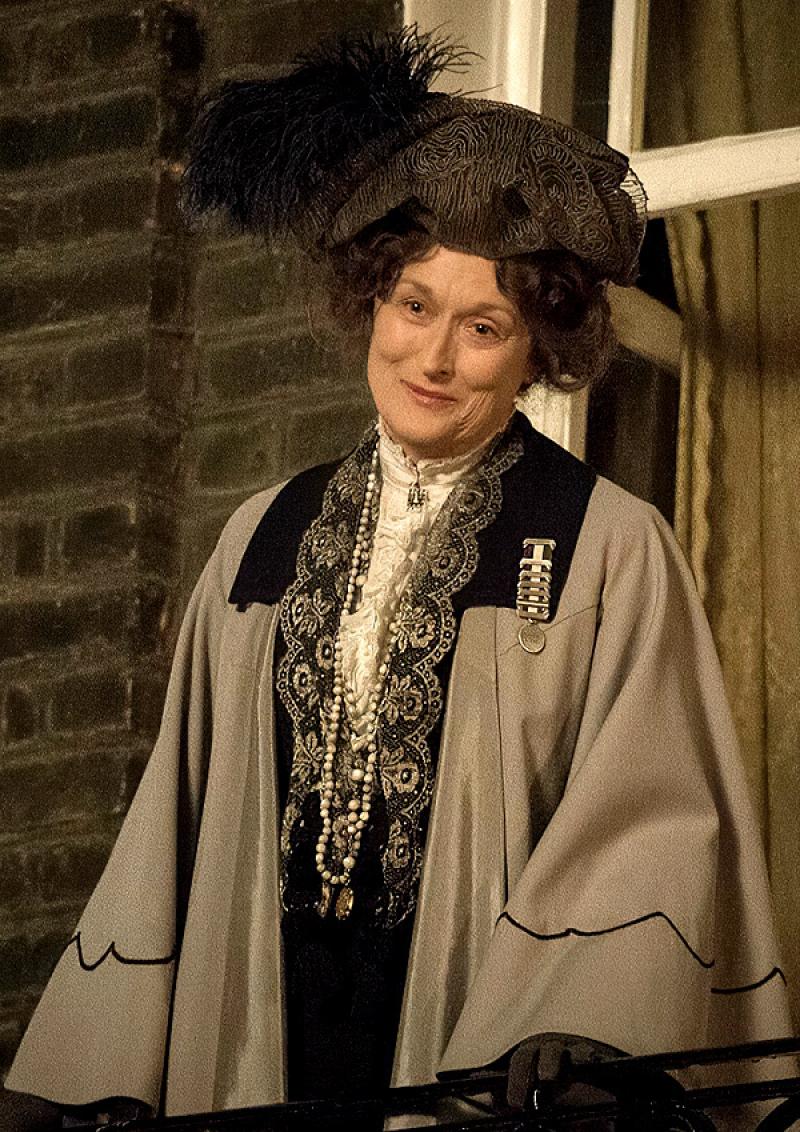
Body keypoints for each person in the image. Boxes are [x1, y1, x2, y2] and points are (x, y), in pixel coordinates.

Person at [2, 26, 791, 1129]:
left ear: (536, 350)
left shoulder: (604, 545)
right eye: (413, 305)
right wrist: (90, 1061)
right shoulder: (259, 541)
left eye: (483, 326)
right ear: (369, 301)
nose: (433, 358)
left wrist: (574, 1014)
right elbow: (169, 828)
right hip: (255, 1028)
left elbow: (648, 812)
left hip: (469, 1039)